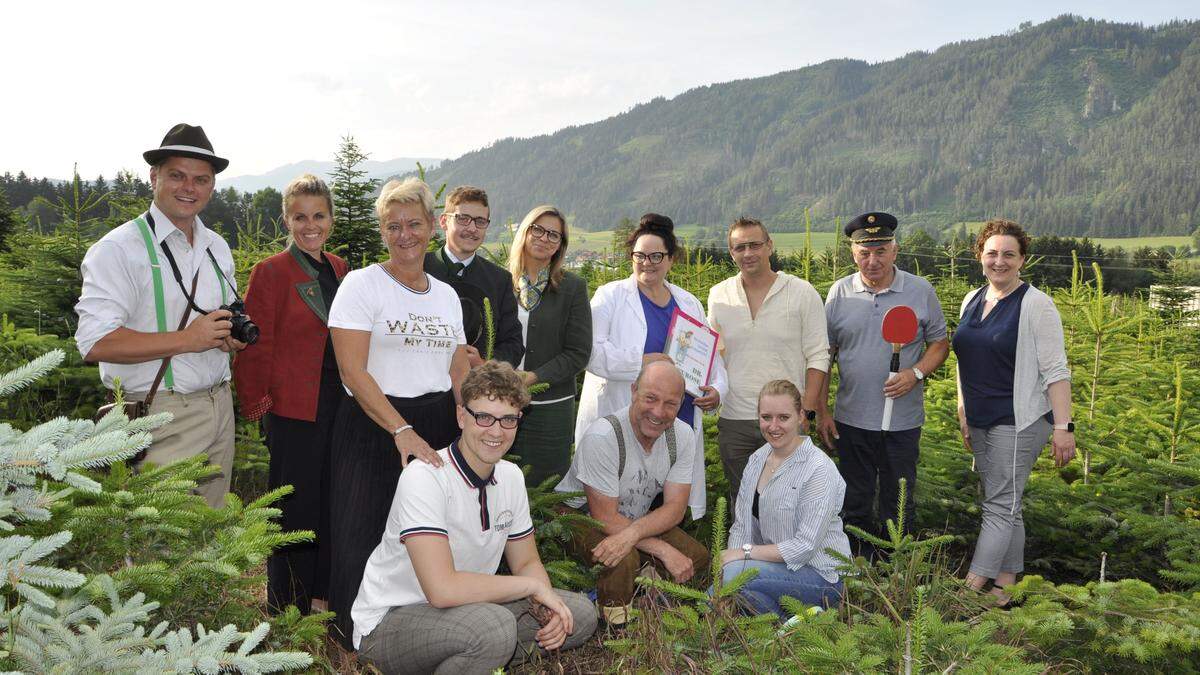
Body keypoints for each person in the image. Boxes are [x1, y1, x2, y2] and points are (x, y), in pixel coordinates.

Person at [353, 362, 596, 673]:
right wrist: (530, 589)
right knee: (493, 629)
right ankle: (472, 651)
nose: (496, 431)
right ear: (460, 416)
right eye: (483, 417)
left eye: (509, 419)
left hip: (468, 610)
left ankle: (464, 658)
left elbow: (526, 563)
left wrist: (544, 599)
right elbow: (442, 590)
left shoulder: (510, 477)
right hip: (392, 621)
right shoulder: (426, 477)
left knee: (578, 613)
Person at [326, 177, 470, 647]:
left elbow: (454, 364)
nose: (404, 234)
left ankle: (415, 631)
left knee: (427, 530)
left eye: (413, 223)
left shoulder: (446, 296)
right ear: (382, 232)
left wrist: (468, 418)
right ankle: (353, 638)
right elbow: (352, 372)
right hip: (375, 422)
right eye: (393, 226)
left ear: (432, 225)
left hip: (438, 421)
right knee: (360, 527)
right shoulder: (361, 285)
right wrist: (401, 429)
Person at [75, 123, 244, 509]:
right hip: (159, 415)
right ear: (154, 177)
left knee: (212, 539)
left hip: (219, 407)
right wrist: (190, 338)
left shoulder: (216, 247)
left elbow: (219, 321)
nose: (190, 188)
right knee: (163, 552)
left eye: (201, 179)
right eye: (177, 176)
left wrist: (228, 338)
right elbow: (94, 342)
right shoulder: (118, 250)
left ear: (211, 187)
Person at [232, 174, 347, 615]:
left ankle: (321, 595)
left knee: (328, 503)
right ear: (286, 219)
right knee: (294, 508)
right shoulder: (271, 272)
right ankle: (284, 604)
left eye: (318, 215)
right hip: (294, 411)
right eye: (300, 216)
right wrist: (259, 406)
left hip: (339, 406)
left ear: (331, 219)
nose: (310, 225)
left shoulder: (340, 269)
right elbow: (256, 347)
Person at [953, 219, 1075, 606]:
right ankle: (1006, 588)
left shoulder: (1036, 304)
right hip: (980, 419)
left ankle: (971, 589)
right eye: (992, 253)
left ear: (1022, 259)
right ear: (980, 256)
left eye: (1008, 254)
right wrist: (962, 409)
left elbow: (1056, 370)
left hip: (1018, 422)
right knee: (1009, 504)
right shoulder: (972, 298)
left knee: (998, 506)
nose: (999, 261)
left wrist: (1063, 427)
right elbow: (963, 360)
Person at [576, 213, 728, 520]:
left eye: (657, 255)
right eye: (640, 255)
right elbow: (590, 352)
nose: (648, 263)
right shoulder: (610, 297)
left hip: (678, 417)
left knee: (665, 499)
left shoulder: (688, 303)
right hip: (626, 414)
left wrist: (718, 389)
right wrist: (639, 362)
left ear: (671, 259)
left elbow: (710, 357)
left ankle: (658, 561)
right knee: (618, 501)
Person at [817, 212, 949, 559]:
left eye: (880, 251)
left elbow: (940, 343)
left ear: (895, 250)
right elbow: (825, 356)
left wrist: (915, 373)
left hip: (902, 423)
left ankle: (894, 567)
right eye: (864, 252)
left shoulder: (920, 291)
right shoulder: (839, 293)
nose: (872, 260)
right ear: (852, 253)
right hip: (851, 419)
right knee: (854, 499)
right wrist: (822, 409)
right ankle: (854, 565)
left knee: (898, 499)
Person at [556, 361, 711, 625]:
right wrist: (661, 549)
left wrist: (634, 535)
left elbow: (675, 507)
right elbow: (604, 518)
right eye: (650, 398)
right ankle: (616, 628)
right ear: (634, 391)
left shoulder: (682, 435)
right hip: (579, 516)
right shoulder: (603, 436)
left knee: (695, 557)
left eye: (670, 404)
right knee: (622, 559)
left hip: (632, 519)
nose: (658, 412)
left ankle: (644, 596)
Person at [708, 217, 830, 511]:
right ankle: (747, 557)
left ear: (769, 246)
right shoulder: (719, 295)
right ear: (731, 252)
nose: (748, 253)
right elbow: (712, 353)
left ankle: (789, 557)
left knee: (790, 504)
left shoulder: (802, 293)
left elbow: (818, 355)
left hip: (786, 418)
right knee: (743, 503)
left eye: (754, 245)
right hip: (735, 418)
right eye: (740, 247)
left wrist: (807, 411)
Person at [719, 380, 851, 617]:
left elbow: (805, 547)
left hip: (821, 576)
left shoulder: (819, 468)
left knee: (733, 577)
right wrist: (732, 559)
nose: (773, 426)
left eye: (783, 417)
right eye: (766, 417)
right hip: (775, 571)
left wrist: (743, 555)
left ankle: (817, 612)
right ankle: (793, 623)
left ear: (801, 416)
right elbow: (741, 526)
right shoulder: (757, 460)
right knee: (730, 588)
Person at [506, 205, 592, 486]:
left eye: (554, 235)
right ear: (525, 232)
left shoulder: (573, 288)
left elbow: (578, 353)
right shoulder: (500, 281)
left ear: (560, 245)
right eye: (538, 229)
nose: (544, 238)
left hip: (551, 408)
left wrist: (533, 378)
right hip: (500, 402)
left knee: (547, 488)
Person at [424, 185, 524, 367]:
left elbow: (513, 344)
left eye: (480, 221)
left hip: (477, 388)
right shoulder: (420, 268)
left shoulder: (499, 280)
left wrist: (484, 364)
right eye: (463, 219)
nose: (472, 228)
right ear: (444, 221)